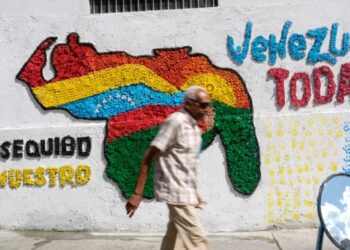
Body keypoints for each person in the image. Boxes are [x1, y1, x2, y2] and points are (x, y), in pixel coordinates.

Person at [126, 86, 211, 250]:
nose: (206, 109)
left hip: (185, 192)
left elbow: (186, 165)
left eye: (208, 105)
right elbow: (149, 155)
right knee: (198, 240)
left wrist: (194, 194)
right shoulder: (176, 121)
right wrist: (137, 194)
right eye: (202, 105)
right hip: (175, 191)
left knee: (174, 240)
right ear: (188, 103)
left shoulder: (194, 128)